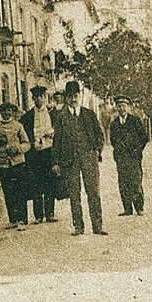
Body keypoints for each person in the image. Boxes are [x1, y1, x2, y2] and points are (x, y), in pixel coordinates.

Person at [51, 80, 107, 236]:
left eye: (76, 96)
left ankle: (97, 225)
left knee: (93, 192)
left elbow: (99, 135)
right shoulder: (61, 117)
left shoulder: (89, 114)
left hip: (89, 158)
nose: (73, 99)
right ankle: (78, 226)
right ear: (66, 98)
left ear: (80, 96)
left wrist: (96, 151)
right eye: (70, 96)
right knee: (74, 193)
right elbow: (56, 141)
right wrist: (55, 162)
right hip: (70, 160)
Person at [20, 86, 58, 224]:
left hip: (49, 151)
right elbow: (23, 135)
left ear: (45, 97)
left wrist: (53, 132)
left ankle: (50, 213)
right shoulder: (27, 117)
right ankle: (38, 215)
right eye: (35, 97)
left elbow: (59, 131)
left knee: (50, 182)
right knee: (36, 183)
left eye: (41, 96)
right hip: (34, 154)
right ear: (32, 99)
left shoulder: (53, 115)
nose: (38, 99)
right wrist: (31, 142)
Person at [0, 102, 31, 231]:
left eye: (9, 111)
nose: (7, 114)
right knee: (8, 191)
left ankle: (22, 220)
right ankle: (12, 219)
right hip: (3, 164)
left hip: (18, 162)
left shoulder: (18, 126)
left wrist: (18, 148)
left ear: (12, 113)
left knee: (20, 190)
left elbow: (27, 144)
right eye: (4, 111)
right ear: (0, 113)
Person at [110, 95, 149, 216]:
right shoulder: (114, 123)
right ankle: (127, 208)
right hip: (121, 158)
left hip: (133, 157)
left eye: (123, 106)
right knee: (123, 182)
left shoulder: (135, 121)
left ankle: (139, 207)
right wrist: (118, 150)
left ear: (128, 107)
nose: (121, 108)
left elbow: (144, 137)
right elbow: (113, 140)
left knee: (135, 181)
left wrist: (138, 150)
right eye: (119, 106)